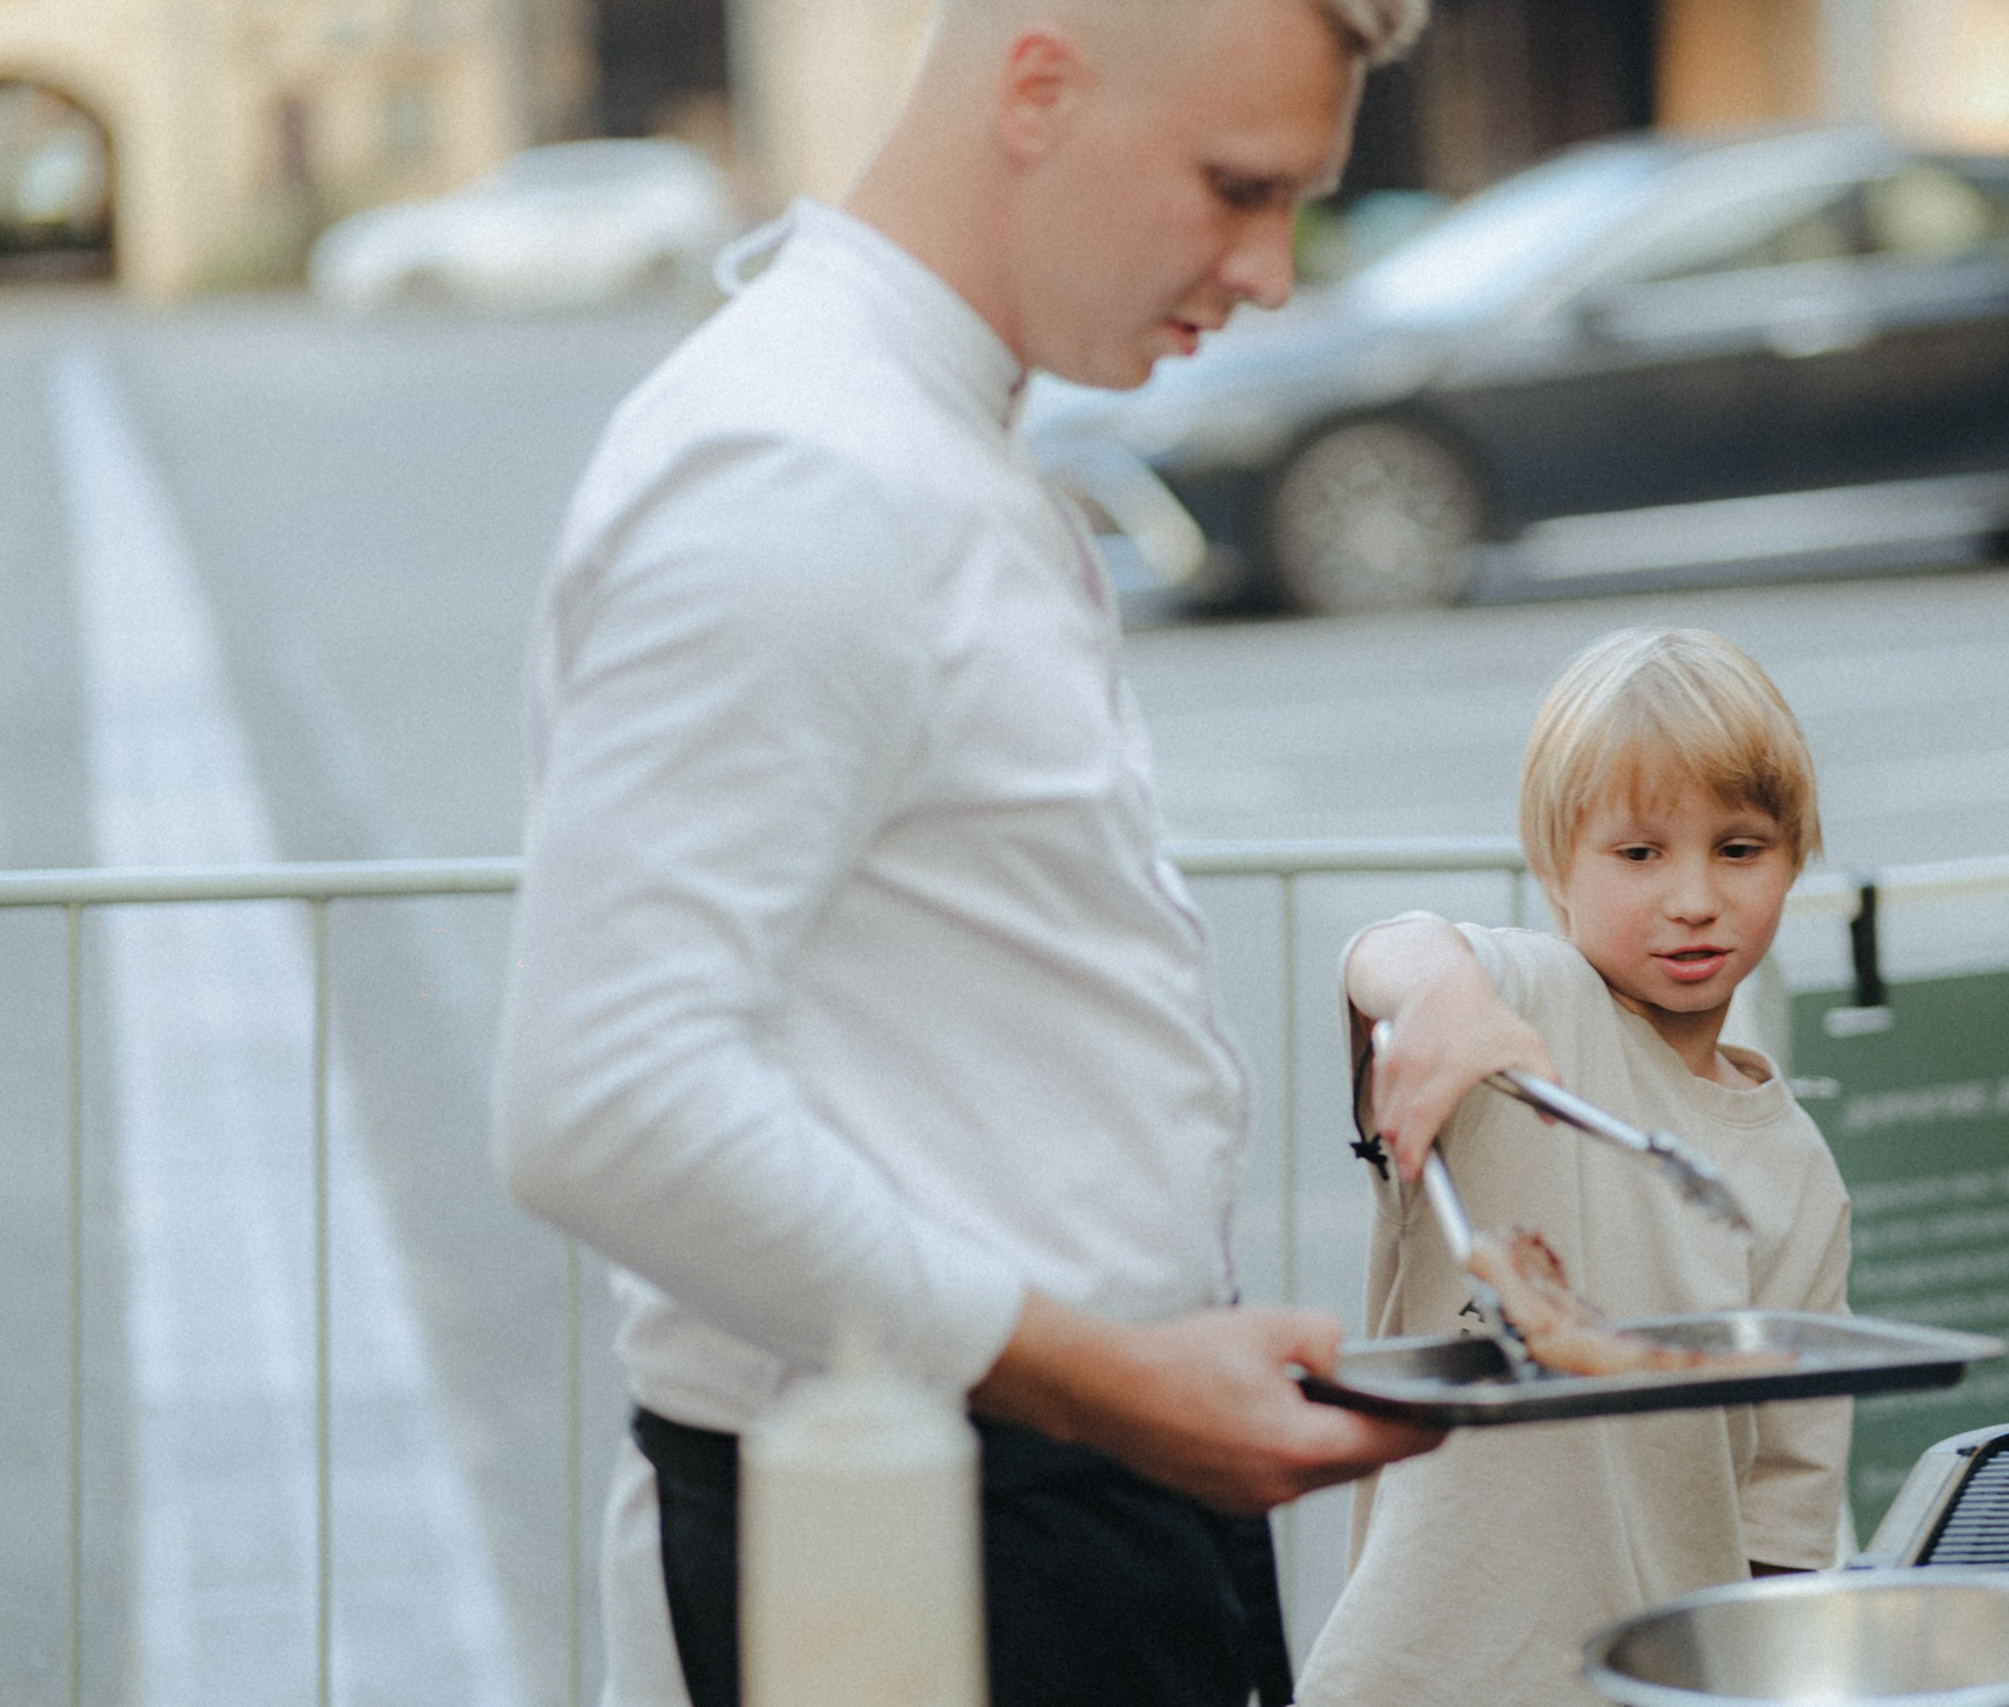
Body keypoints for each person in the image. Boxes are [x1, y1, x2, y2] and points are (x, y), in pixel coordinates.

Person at [490, 3, 1440, 1705]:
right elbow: (602, 1097)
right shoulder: (802, 468)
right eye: (1239, 188)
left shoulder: (898, 432)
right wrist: (1099, 1377)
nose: (1269, 271)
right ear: (1039, 86)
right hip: (917, 1524)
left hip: (1032, 1486)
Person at [1295, 627, 1853, 1707]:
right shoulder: (1527, 1010)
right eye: (1639, 854)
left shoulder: (1797, 1172)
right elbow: (1390, 952)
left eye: (1739, 849)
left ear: (1795, 858)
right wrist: (1445, 1000)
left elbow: (1781, 1521)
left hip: (1659, 1684)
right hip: (1423, 1677)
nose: (1693, 897)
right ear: (1554, 867)